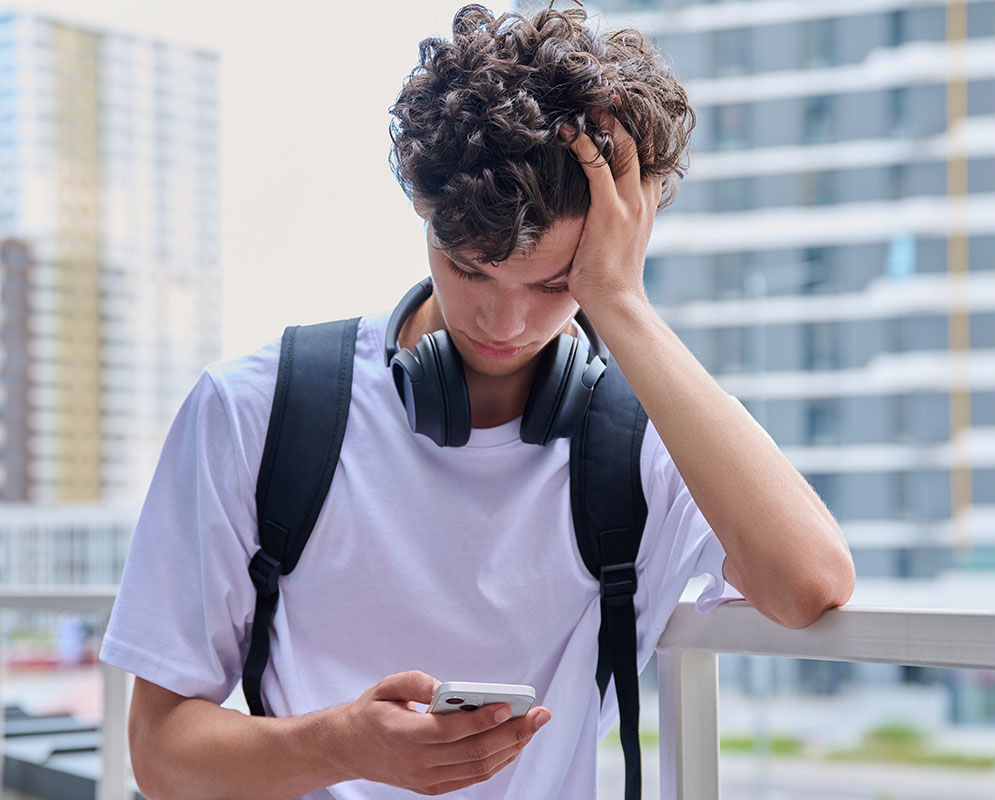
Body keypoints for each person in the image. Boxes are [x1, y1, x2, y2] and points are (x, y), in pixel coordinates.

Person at [99, 4, 855, 798]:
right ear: (426, 215)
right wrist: (344, 744)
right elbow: (158, 752)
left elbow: (808, 582)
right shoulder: (253, 412)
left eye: (555, 284)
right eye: (470, 268)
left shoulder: (643, 445)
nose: (504, 322)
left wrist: (621, 303)